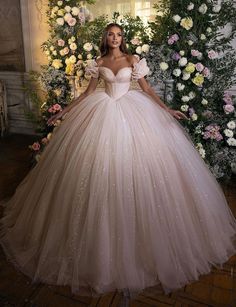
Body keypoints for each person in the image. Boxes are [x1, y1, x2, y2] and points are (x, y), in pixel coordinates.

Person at [0, 23, 236, 301]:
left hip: (134, 112)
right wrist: (62, 112)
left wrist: (167, 109)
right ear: (105, 38)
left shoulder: (133, 60)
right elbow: (88, 93)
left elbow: (146, 89)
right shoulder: (98, 62)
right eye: (111, 34)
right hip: (101, 111)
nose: (115, 38)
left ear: (123, 39)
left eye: (119, 34)